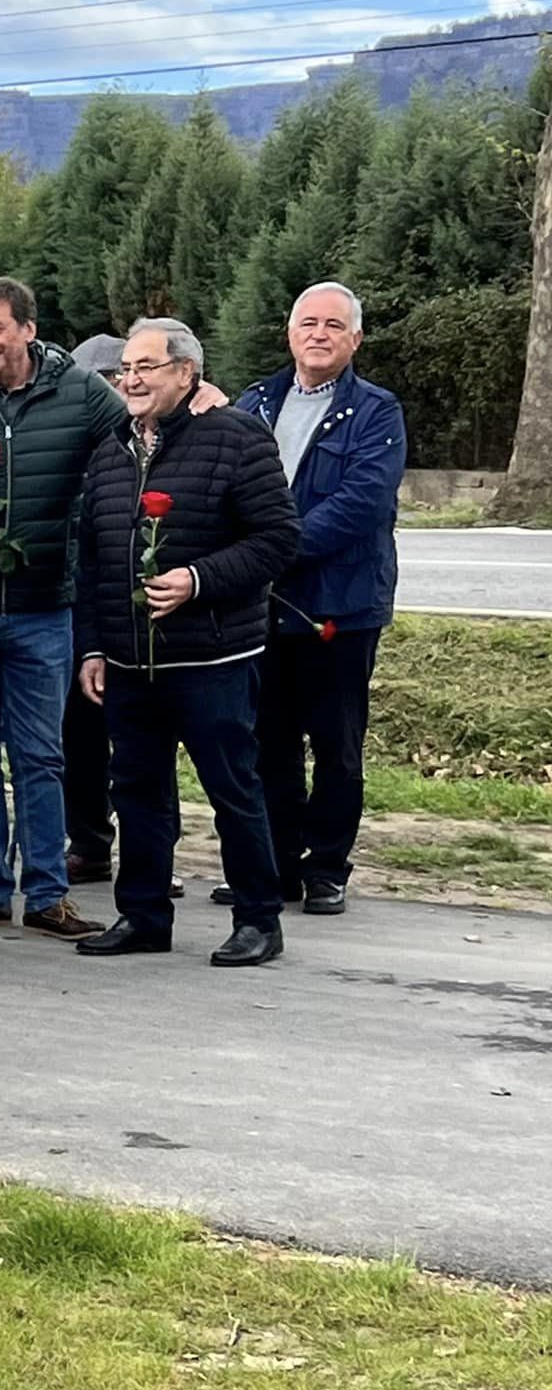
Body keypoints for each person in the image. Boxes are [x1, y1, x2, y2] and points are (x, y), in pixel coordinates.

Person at [74, 317, 299, 968]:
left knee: (232, 787)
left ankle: (259, 919)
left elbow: (277, 539)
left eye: (147, 366)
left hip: (212, 656)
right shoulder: (112, 446)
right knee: (136, 788)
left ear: (186, 373)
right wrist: (93, 646)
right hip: (127, 658)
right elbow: (90, 559)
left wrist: (198, 580)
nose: (131, 379)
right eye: (126, 369)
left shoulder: (235, 437)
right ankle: (142, 915)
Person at [0, 278, 117, 943]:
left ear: (28, 331)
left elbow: (133, 442)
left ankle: (46, 894)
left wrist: (202, 404)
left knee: (41, 755)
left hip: (44, 607)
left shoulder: (82, 392)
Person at [233, 282, 406, 917]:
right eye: (308, 322)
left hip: (340, 605)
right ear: (290, 332)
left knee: (335, 743)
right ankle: (276, 865)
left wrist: (270, 547)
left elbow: (362, 503)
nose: (319, 334)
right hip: (262, 605)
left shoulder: (377, 412)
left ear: (355, 339)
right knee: (267, 739)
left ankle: (327, 866)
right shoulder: (253, 403)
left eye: (334, 325)